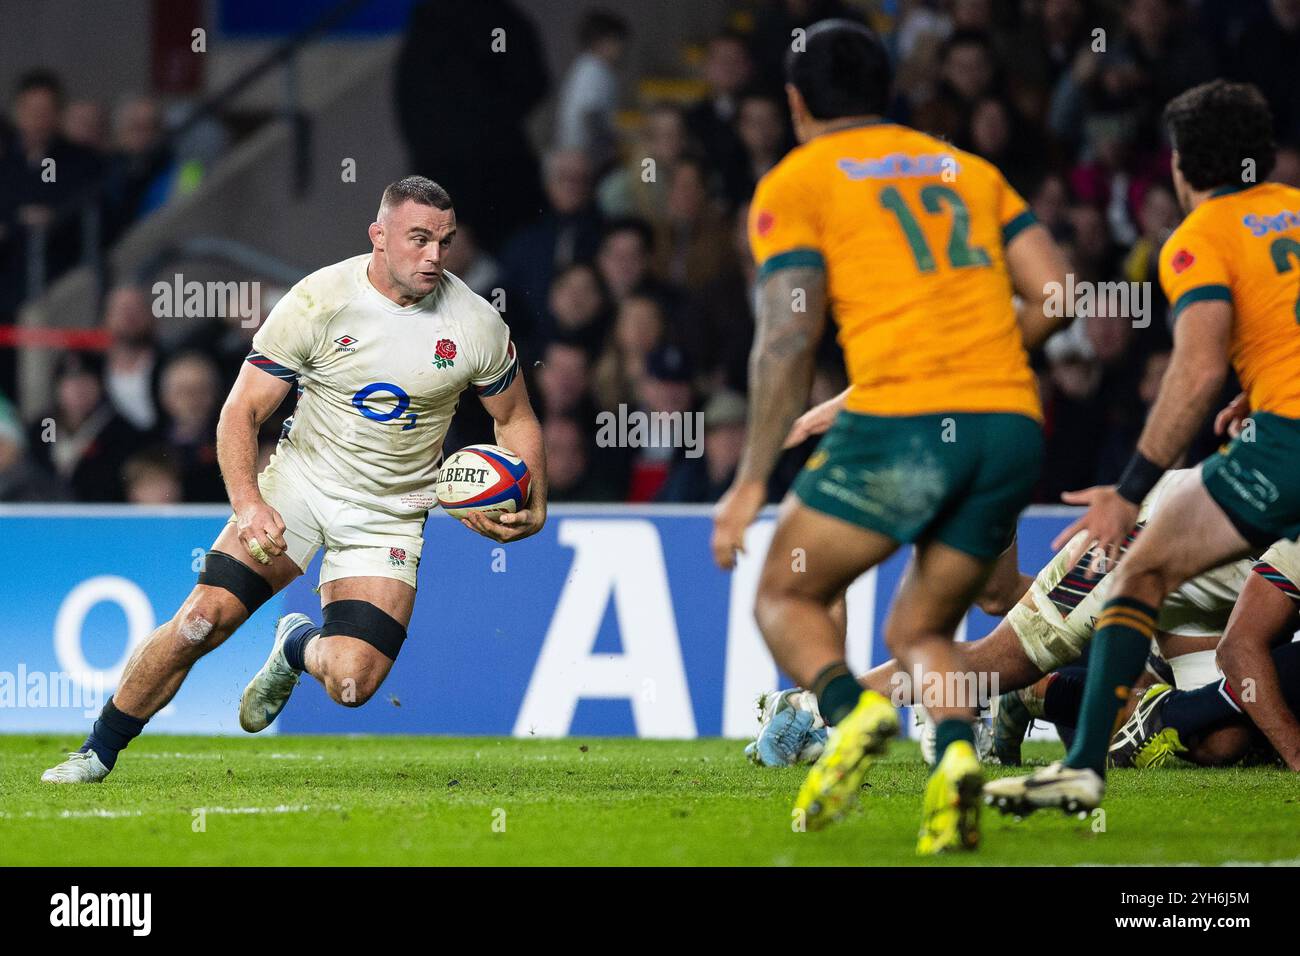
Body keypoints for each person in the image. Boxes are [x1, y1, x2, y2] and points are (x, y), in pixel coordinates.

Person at [41, 177, 548, 784]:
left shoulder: (476, 324)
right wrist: (249, 503)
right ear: (379, 237)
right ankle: (97, 750)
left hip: (389, 510)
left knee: (354, 685)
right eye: (419, 239)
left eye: (445, 240)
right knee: (205, 619)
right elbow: (240, 412)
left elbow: (514, 417)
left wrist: (534, 504)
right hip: (301, 484)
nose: (435, 256)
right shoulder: (318, 301)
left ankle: (295, 645)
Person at [709, 19, 1071, 853]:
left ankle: (851, 714)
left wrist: (751, 481)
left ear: (796, 102)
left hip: (903, 426)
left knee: (785, 593)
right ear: (888, 90)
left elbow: (788, 340)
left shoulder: (797, 182)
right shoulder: (969, 170)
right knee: (922, 632)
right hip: (1010, 426)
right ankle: (950, 767)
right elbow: (1057, 295)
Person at [986, 80, 1300, 816]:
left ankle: (1083, 765)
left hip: (1283, 452)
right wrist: (1263, 390)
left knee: (1140, 567)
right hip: (1278, 429)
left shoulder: (1198, 239)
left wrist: (1129, 489)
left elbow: (1193, 371)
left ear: (1185, 167)